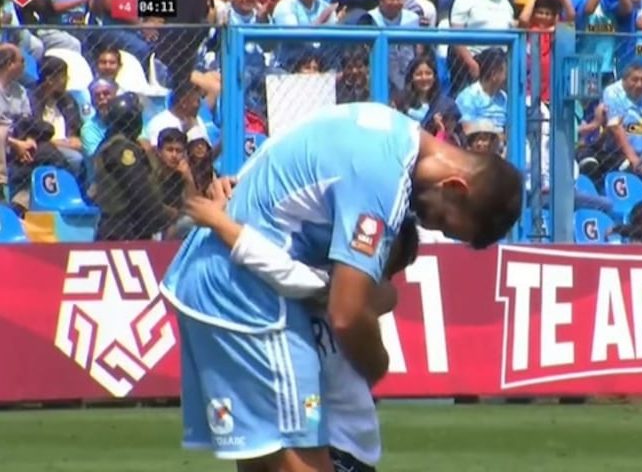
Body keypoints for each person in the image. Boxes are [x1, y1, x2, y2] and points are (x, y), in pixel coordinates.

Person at [159, 102, 522, 472]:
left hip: (220, 282)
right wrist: (376, 364)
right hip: (248, 299)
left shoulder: (386, 126)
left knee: (265, 462)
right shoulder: (385, 176)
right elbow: (346, 314)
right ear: (456, 187)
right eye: (443, 220)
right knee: (303, 461)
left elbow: (289, 163)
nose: (429, 224)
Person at [184, 187, 420, 472]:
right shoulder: (291, 274)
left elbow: (288, 274)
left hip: (339, 440)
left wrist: (221, 222)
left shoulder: (357, 290)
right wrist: (232, 192)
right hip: (286, 424)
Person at [90, 92, 173, 241]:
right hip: (124, 229)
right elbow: (139, 188)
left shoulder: (111, 143)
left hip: (121, 227)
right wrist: (162, 219)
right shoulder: (121, 149)